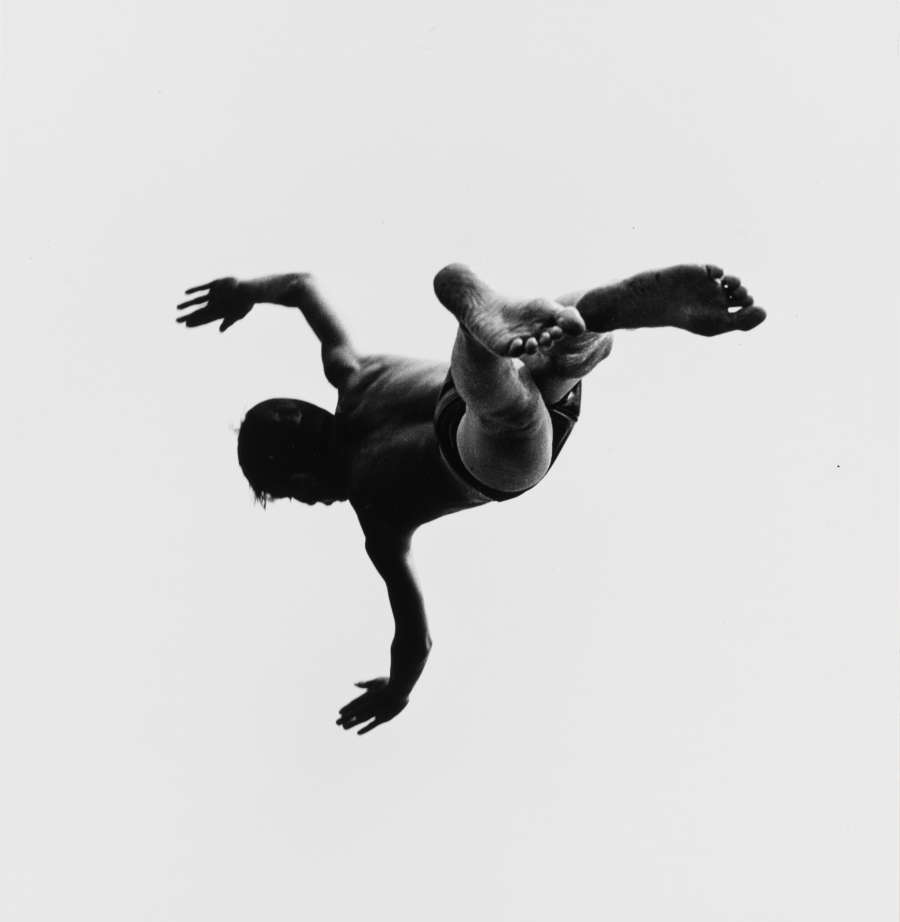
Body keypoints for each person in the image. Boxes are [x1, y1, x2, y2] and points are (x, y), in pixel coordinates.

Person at [177, 262, 765, 735]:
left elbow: (416, 640)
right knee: (540, 345)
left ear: (301, 479)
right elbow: (302, 288)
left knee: (509, 409)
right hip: (470, 384)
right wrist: (244, 291)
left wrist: (396, 692)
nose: (312, 504)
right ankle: (578, 323)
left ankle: (525, 335)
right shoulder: (352, 374)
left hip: (489, 458)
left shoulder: (376, 518)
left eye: (297, 496)